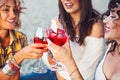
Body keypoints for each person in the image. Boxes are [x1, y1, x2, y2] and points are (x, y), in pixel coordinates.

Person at [42, 0, 105, 80]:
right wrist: (49, 55)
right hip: (53, 74)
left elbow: (86, 73)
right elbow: (47, 59)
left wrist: (62, 65)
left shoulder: (95, 27)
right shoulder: (58, 21)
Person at [0, 0, 48, 80]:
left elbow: (15, 76)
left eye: (15, 10)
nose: (13, 15)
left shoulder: (20, 38)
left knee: (52, 73)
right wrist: (20, 56)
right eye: (6, 9)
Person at [95, 0, 120, 80]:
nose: (105, 21)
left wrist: (69, 61)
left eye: (113, 16)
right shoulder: (112, 45)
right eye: (109, 14)